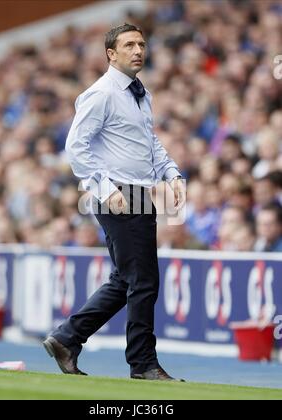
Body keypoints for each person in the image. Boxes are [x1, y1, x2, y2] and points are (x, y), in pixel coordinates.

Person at [43, 23, 185, 381]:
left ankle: (67, 338)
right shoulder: (102, 93)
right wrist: (107, 189)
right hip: (121, 194)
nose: (138, 50)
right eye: (129, 45)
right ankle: (143, 363)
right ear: (111, 53)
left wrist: (170, 171)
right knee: (144, 281)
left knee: (127, 279)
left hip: (138, 192)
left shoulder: (141, 93)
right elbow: (76, 147)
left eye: (141, 44)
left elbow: (148, 142)